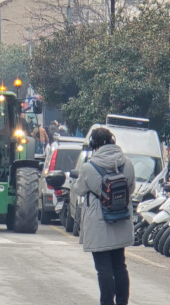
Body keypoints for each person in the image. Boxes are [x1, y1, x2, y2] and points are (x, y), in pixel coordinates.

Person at [73, 127, 135, 305]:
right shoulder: (127, 163)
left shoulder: (88, 167)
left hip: (99, 223)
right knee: (120, 265)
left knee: (103, 269)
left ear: (94, 144)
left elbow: (79, 189)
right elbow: (131, 189)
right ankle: (123, 302)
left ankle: (107, 302)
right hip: (121, 220)